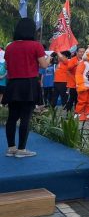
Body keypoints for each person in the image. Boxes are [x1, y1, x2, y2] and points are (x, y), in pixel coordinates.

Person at [4, 18, 49, 158]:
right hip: (29, 83)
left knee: (12, 117)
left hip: (13, 84)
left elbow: (6, 66)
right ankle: (22, 150)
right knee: (25, 117)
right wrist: (49, 59)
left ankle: (11, 148)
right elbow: (44, 65)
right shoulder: (36, 46)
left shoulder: (9, 47)